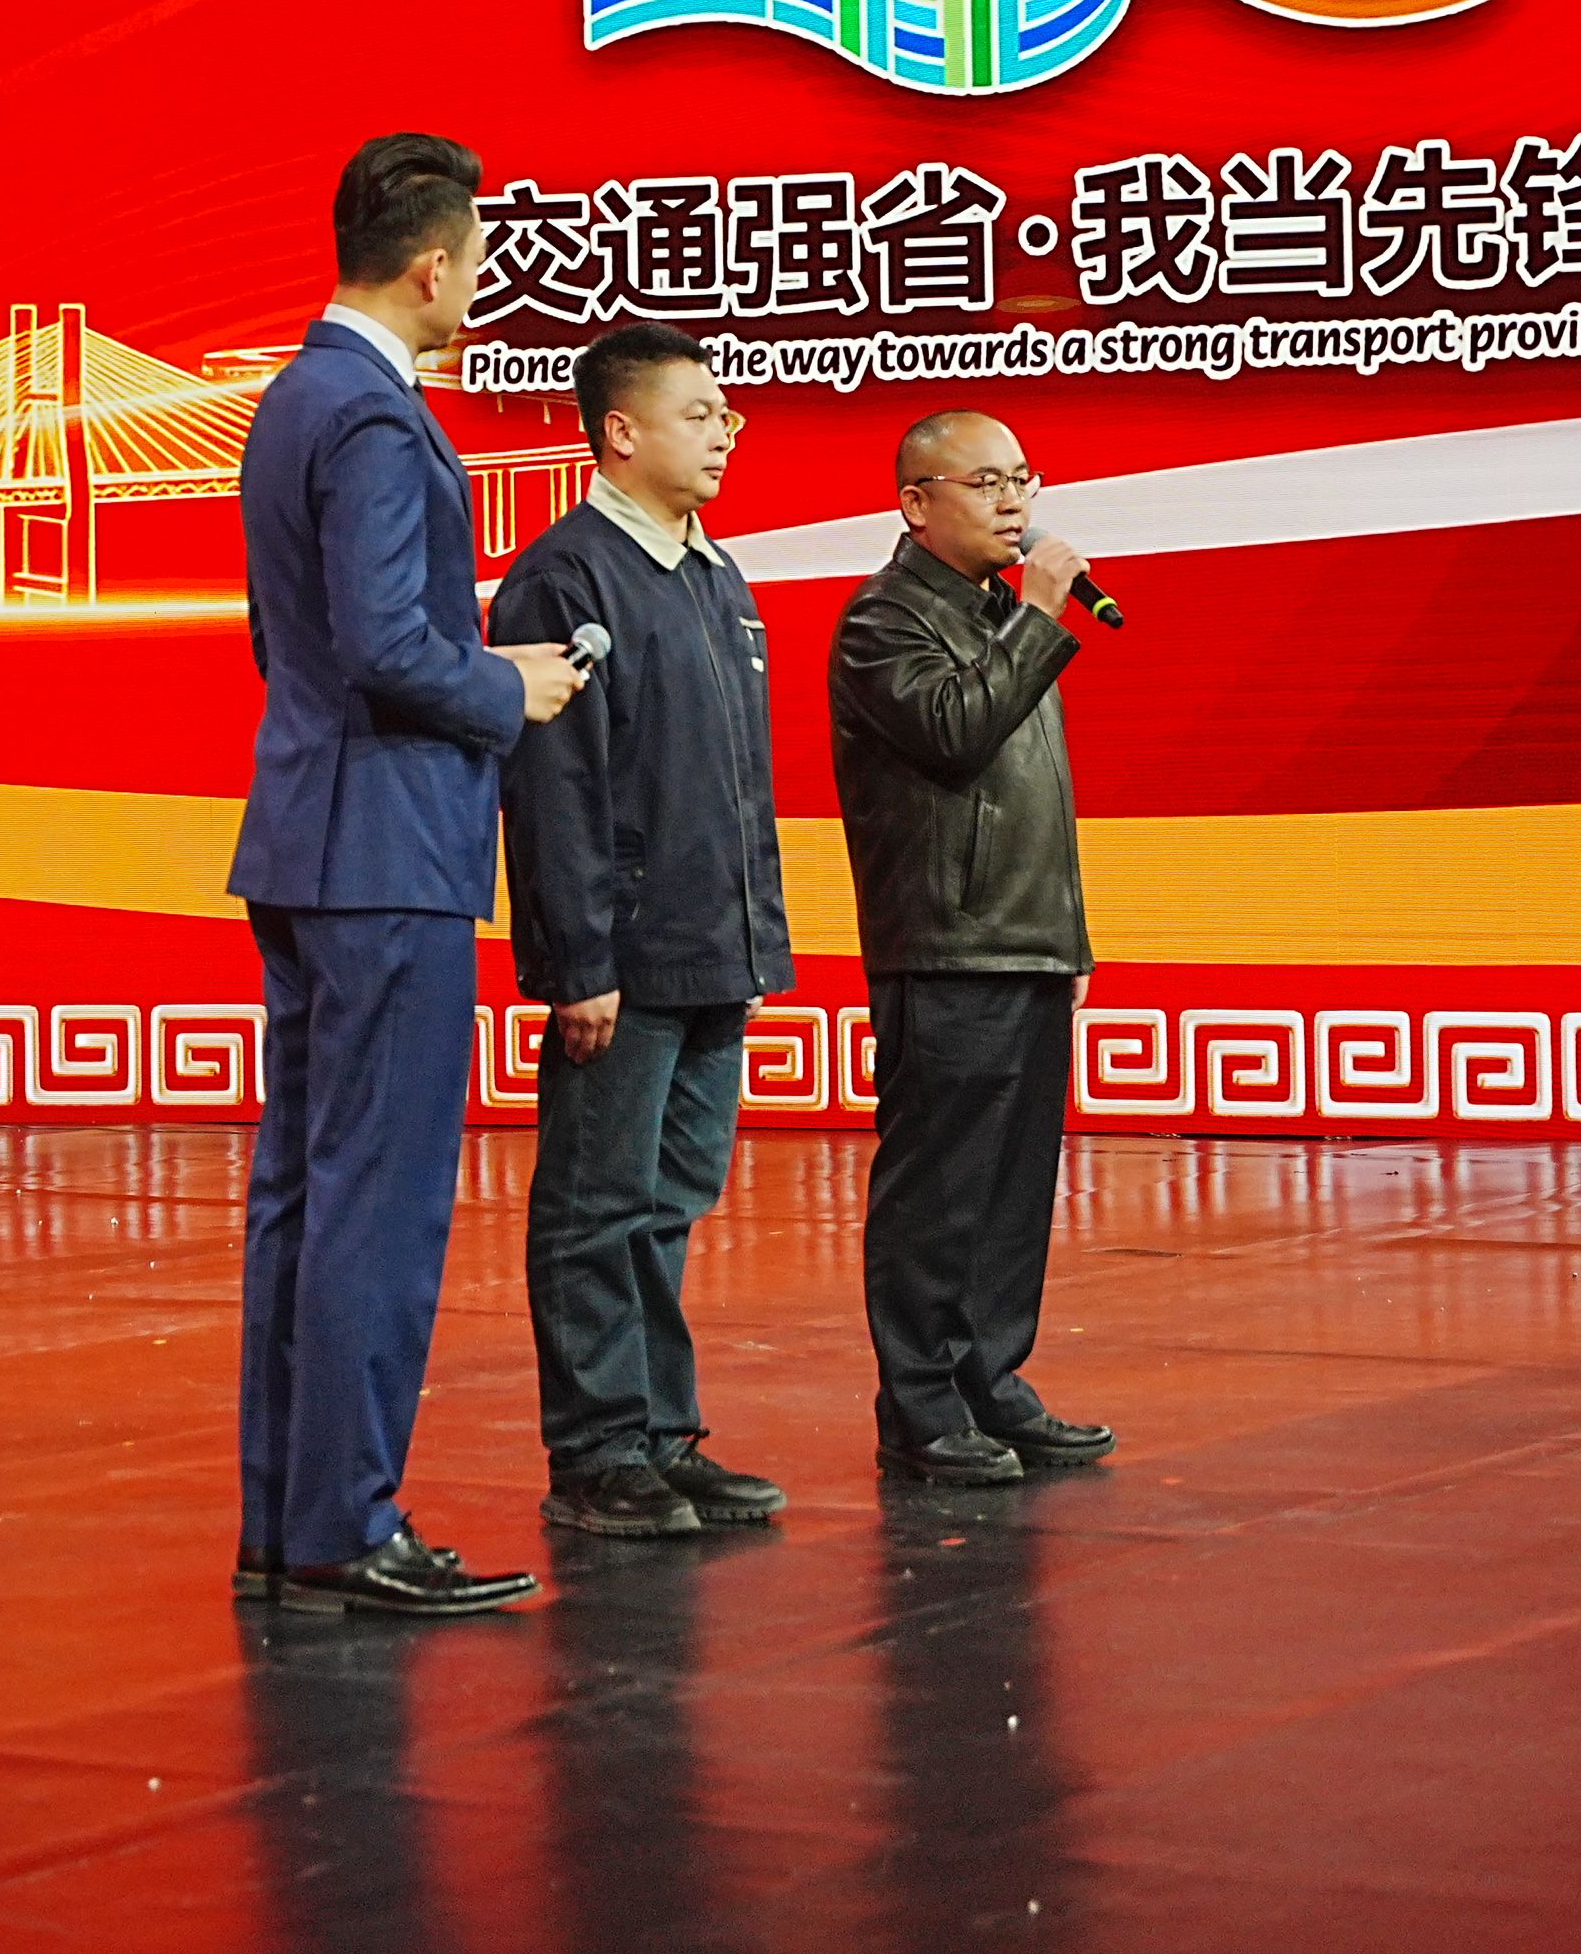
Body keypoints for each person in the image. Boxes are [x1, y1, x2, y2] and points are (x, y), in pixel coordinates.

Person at [228, 132, 586, 1616]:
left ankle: (291, 1522)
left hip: (314, 834)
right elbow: (383, 641)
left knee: (306, 1197)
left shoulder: (294, 398)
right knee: (377, 1197)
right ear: (433, 267)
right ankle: (347, 1524)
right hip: (389, 849)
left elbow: (302, 640)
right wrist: (510, 687)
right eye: (479, 257)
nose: (483, 283)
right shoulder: (374, 414)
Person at [490, 322, 795, 1540]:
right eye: (699, 413)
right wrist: (579, 963)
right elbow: (553, 787)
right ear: (620, 432)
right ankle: (597, 1452)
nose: (726, 433)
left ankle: (665, 1436)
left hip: (715, 950)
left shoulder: (717, 577)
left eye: (727, 415)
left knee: (670, 1203)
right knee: (596, 1207)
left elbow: (737, 787)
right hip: (624, 960)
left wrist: (756, 943)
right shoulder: (564, 579)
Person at [825, 408, 1120, 1488]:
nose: (1014, 502)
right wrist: (1038, 616)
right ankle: (920, 1404)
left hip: (1024, 941)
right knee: (939, 1191)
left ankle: (993, 1380)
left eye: (1023, 479)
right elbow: (954, 732)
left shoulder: (1003, 616)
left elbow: (1036, 800)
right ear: (916, 503)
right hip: (947, 946)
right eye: (986, 482)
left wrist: (1067, 936)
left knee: (1010, 1191)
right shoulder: (883, 620)